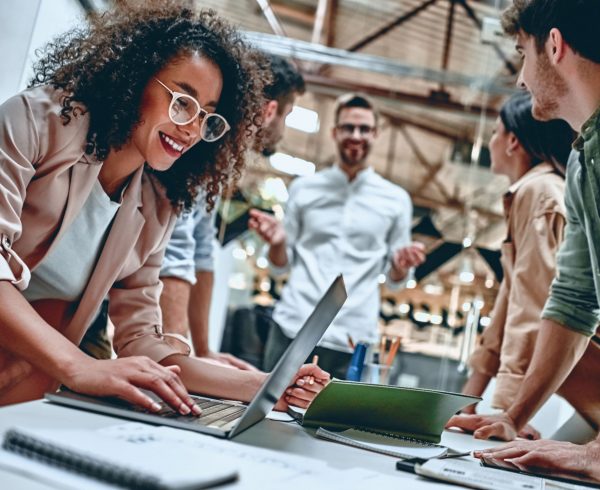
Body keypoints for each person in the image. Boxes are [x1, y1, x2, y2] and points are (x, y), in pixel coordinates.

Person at [0, 1, 328, 414]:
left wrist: (264, 384)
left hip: (22, 388)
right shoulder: (35, 122)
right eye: (183, 102)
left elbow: (142, 341)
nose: (191, 128)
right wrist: (80, 366)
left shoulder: (156, 204)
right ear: (135, 79)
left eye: (207, 116)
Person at [446, 0, 600, 480]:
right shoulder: (581, 162)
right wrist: (514, 415)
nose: (519, 78)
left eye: (521, 54)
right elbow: (574, 300)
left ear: (553, 46)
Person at [250, 93, 426, 379]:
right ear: (334, 132)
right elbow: (280, 265)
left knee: (337, 422)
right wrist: (278, 243)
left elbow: (396, 282)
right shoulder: (304, 189)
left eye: (364, 129)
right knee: (270, 413)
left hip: (353, 336)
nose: (356, 135)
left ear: (376, 134)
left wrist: (401, 266)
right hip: (294, 326)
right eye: (348, 127)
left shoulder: (396, 200)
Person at [158, 53, 305, 370]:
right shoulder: (201, 147)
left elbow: (201, 251)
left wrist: (203, 350)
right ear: (270, 111)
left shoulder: (221, 161)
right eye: (288, 115)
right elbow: (177, 249)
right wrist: (178, 356)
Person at [456, 92, 574, 440]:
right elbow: (508, 306)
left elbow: (533, 306)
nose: (490, 141)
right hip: (564, 382)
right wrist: (467, 398)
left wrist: (511, 413)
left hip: (573, 382)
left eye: (494, 132)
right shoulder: (535, 191)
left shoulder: (539, 192)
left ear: (512, 141)